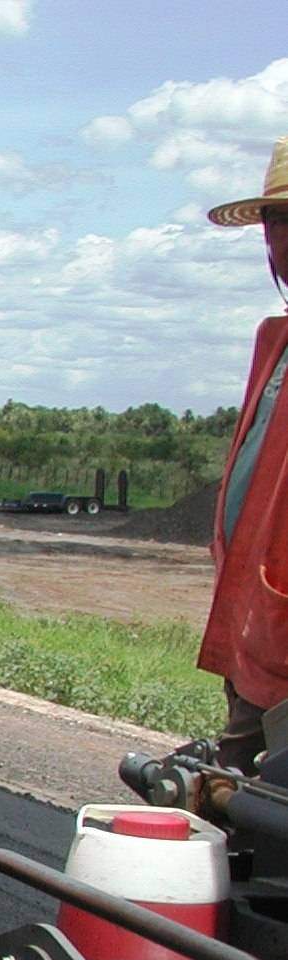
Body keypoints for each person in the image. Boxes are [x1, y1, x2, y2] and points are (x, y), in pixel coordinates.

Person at [200, 138, 288, 774]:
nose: (279, 241)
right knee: (235, 802)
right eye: (277, 222)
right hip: (255, 624)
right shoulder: (274, 341)